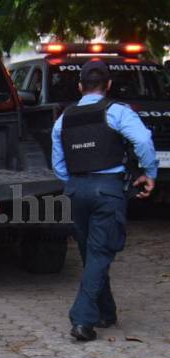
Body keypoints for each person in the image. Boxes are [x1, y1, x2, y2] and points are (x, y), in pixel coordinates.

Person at [51, 60, 158, 341]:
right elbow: (144, 142)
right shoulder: (117, 112)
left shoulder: (63, 119)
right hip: (107, 191)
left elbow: (58, 164)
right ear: (109, 85)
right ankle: (82, 319)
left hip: (75, 191)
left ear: (79, 86)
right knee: (99, 253)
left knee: (92, 253)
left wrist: (76, 182)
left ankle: (106, 313)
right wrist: (149, 172)